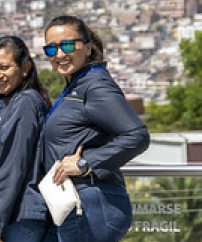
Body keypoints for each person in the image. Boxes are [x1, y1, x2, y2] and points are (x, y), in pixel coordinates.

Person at [41, 15, 150, 242]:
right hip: (79, 202)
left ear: (88, 47)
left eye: (68, 45)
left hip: (92, 205)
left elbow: (137, 135)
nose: (60, 54)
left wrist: (85, 163)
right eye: (51, 49)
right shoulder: (78, 84)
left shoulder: (96, 85)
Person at [0, 36, 53, 242]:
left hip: (18, 218)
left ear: (25, 67)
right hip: (14, 216)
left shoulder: (25, 103)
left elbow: (12, 167)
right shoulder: (8, 104)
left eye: (4, 67)